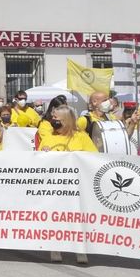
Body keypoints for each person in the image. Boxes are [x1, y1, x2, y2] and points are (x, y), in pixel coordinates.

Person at [38, 105, 97, 264]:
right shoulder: (49, 137)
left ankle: (80, 250)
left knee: (78, 217)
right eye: (53, 118)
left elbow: (94, 158)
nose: (53, 121)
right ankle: (55, 248)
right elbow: (37, 162)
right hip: (55, 186)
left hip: (77, 186)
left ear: (67, 120)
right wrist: (43, 154)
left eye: (56, 119)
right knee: (56, 217)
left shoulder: (81, 137)